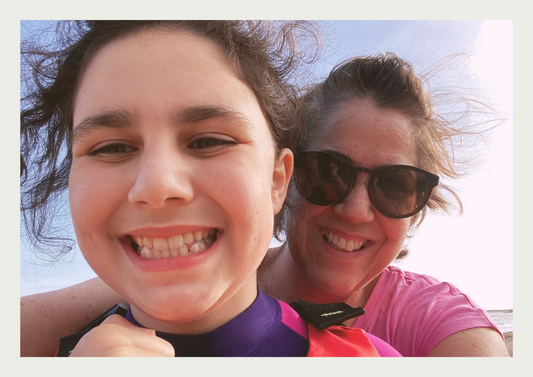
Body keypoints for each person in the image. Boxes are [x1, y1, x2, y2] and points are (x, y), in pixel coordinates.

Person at [20, 24, 507, 357]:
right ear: (290, 181)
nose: (158, 185)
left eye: (209, 140)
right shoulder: (63, 344)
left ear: (275, 177)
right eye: (110, 148)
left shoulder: (407, 337)